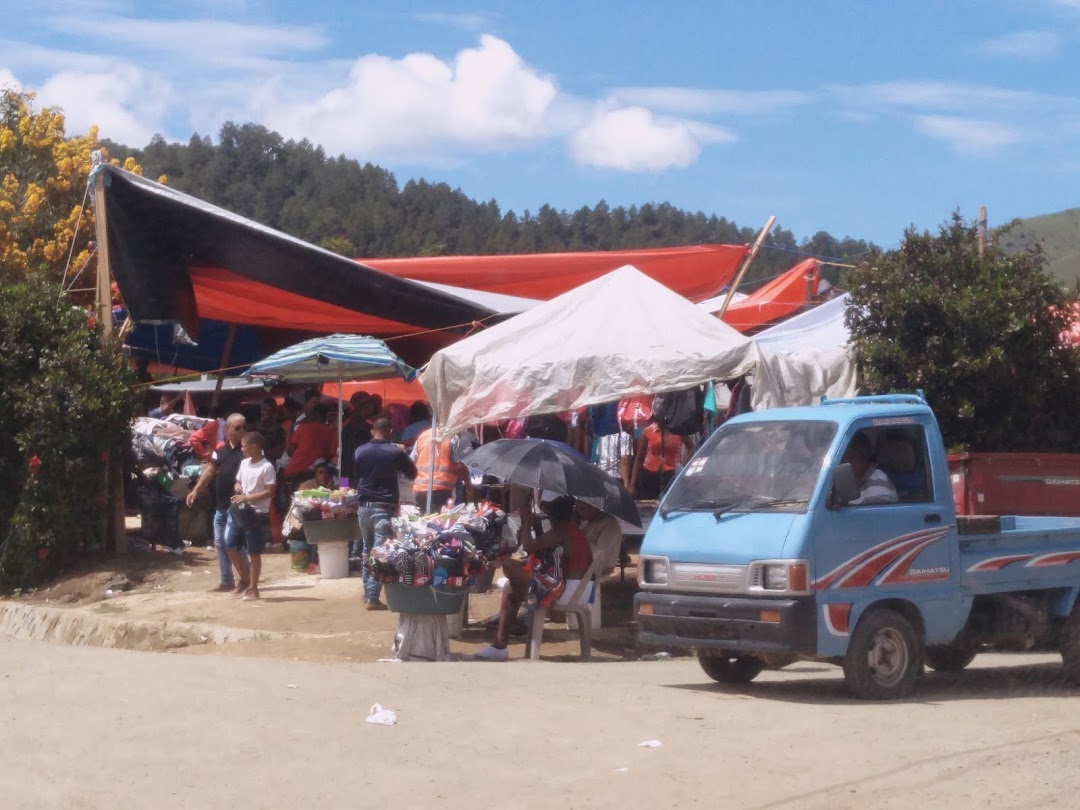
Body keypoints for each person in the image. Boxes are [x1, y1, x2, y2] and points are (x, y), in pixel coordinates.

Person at [476, 494, 593, 661]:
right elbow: (541, 549)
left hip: (569, 589)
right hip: (576, 586)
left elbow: (528, 546)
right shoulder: (571, 530)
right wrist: (534, 526)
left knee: (508, 565)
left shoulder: (562, 531)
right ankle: (499, 646)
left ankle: (500, 645)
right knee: (511, 587)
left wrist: (526, 523)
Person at [352, 417, 418, 610]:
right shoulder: (395, 452)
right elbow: (412, 473)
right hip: (384, 507)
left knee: (367, 549)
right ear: (390, 432)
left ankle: (367, 593)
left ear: (373, 431)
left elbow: (352, 474)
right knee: (380, 552)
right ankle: (372, 597)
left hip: (363, 507)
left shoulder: (360, 451)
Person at [185, 413, 248, 592]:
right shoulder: (220, 451)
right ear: (228, 430)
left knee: (233, 542)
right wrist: (196, 490)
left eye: (244, 427)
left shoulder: (247, 451)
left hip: (237, 505)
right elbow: (210, 471)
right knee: (220, 543)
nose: (242, 430)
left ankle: (247, 578)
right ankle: (227, 581)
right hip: (221, 505)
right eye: (238, 428)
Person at [228, 431, 276, 600]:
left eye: (244, 445)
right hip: (241, 510)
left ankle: (253, 589)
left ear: (254, 446)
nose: (242, 448)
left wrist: (247, 497)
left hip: (257, 513)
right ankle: (244, 578)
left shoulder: (267, 467)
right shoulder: (244, 463)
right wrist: (238, 488)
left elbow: (270, 491)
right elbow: (238, 481)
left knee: (253, 551)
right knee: (231, 545)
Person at [629, 419, 695, 499]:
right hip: (649, 474)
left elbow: (691, 447)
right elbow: (639, 458)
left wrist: (684, 465)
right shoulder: (648, 430)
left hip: (671, 475)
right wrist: (632, 485)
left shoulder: (678, 430)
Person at [410, 426, 468, 513]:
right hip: (441, 489)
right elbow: (459, 464)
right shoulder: (452, 438)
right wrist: (468, 483)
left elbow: (412, 461)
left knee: (424, 521)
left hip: (421, 489)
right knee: (438, 522)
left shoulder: (423, 436)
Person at [282, 404, 338, 482]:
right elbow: (332, 455)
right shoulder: (332, 432)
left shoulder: (302, 427)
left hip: (293, 471)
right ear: (325, 417)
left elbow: (289, 450)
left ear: (312, 416)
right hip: (315, 475)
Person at [841, 432, 899, 505]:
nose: (846, 463)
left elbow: (872, 515)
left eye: (852, 458)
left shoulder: (878, 484)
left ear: (865, 457)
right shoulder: (849, 480)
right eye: (843, 459)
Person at [575, 499, 623, 574]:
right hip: (583, 568)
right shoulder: (585, 524)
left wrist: (582, 539)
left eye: (582, 509)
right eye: (577, 509)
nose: (579, 512)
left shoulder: (609, 524)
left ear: (592, 506)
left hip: (599, 571)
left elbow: (600, 554)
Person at [340, 393, 377, 483]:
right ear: (363, 407)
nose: (372, 409)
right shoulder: (364, 428)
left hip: (345, 472)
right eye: (369, 405)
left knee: (344, 493)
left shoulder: (347, 425)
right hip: (358, 474)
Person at [253, 398, 287, 465]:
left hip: (268, 464)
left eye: (269, 411)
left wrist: (260, 453)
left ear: (274, 412)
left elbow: (278, 453)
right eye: (264, 410)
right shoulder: (254, 427)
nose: (266, 413)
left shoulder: (279, 430)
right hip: (253, 463)